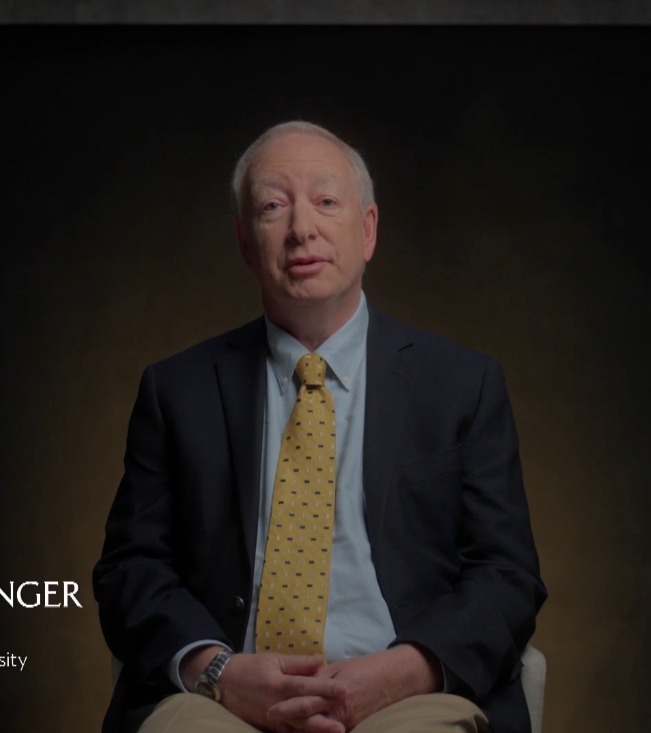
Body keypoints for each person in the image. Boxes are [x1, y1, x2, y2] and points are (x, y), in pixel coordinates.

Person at [93, 120, 546, 733]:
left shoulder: (462, 385)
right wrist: (219, 671)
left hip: (406, 695)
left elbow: (507, 576)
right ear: (246, 245)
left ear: (368, 230)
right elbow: (131, 570)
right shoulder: (177, 390)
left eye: (327, 202)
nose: (302, 227)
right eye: (273, 206)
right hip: (225, 700)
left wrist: (404, 670)